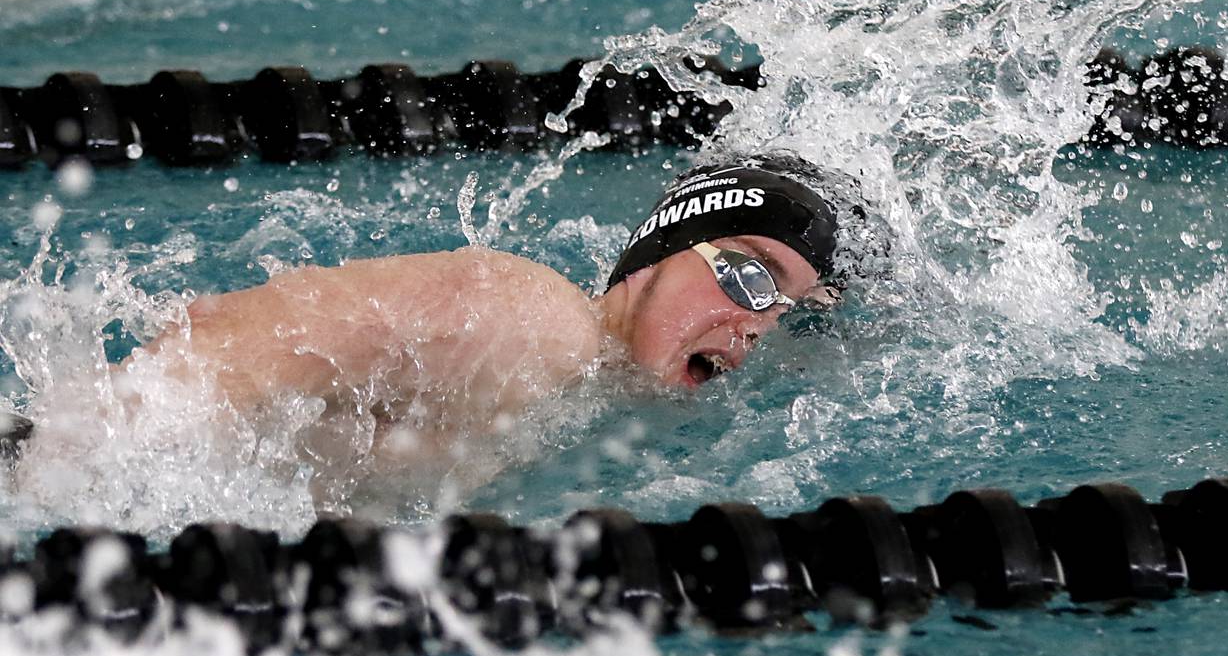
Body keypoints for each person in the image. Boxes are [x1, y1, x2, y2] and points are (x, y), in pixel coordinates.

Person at [17, 153, 845, 504]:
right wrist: (65, 464)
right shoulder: (534, 319)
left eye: (780, 311)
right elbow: (239, 335)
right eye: (745, 275)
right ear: (659, 249)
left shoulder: (572, 395)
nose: (749, 325)